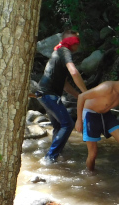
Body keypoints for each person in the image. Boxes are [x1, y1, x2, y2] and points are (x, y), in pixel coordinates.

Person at [74, 67, 119, 173]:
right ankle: (90, 173)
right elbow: (81, 97)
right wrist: (78, 120)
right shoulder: (107, 87)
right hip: (90, 114)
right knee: (93, 153)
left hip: (106, 115)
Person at [37, 30, 88, 162]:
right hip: (49, 95)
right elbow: (74, 72)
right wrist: (86, 93)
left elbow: (65, 85)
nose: (78, 45)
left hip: (43, 94)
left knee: (59, 126)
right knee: (68, 124)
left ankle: (57, 154)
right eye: (77, 42)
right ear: (71, 43)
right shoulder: (64, 51)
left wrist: (79, 96)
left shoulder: (58, 53)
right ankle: (50, 157)